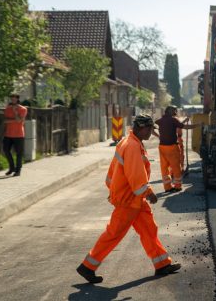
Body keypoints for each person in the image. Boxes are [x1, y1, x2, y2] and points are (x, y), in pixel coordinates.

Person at [76, 114, 181, 284]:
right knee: (114, 233)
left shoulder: (129, 141)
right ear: (141, 127)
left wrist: (115, 188)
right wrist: (148, 192)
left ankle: (162, 264)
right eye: (149, 129)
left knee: (149, 229)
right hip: (129, 200)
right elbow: (136, 175)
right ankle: (87, 267)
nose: (151, 133)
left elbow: (113, 172)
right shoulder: (132, 146)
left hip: (134, 199)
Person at [154, 106, 201, 192]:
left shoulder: (160, 121)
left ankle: (167, 187)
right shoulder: (173, 120)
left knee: (164, 168)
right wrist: (197, 125)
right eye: (174, 111)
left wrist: (158, 136)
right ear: (170, 111)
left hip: (162, 147)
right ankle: (177, 186)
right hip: (172, 147)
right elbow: (183, 126)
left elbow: (153, 126)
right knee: (176, 168)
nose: (175, 112)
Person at [3, 94, 28, 177]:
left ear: (17, 99)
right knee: (6, 150)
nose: (13, 100)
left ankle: (18, 170)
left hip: (19, 134)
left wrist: (15, 112)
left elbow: (19, 121)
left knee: (19, 153)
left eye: (14, 98)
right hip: (8, 134)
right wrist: (15, 119)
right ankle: (11, 167)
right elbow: (5, 121)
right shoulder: (7, 108)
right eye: (12, 98)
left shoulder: (23, 109)